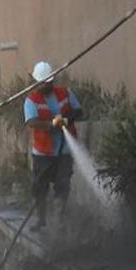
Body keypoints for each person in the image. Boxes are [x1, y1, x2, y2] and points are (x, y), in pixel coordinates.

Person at [24, 61, 83, 230]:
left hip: (65, 150)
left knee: (63, 184)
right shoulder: (31, 101)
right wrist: (51, 124)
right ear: (36, 82)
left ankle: (59, 219)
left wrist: (67, 119)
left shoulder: (65, 93)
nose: (45, 86)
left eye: (48, 83)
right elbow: (32, 122)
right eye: (42, 83)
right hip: (43, 152)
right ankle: (41, 219)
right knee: (39, 187)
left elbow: (78, 111)